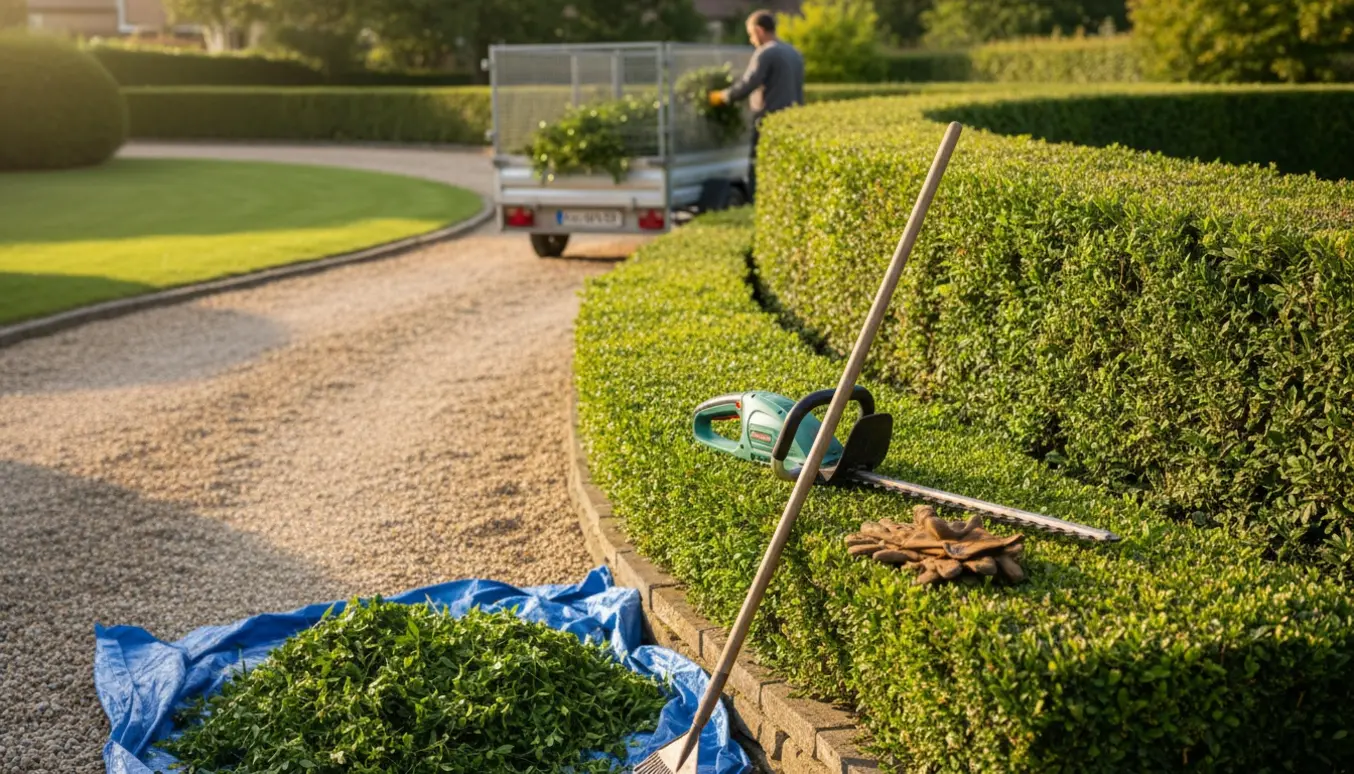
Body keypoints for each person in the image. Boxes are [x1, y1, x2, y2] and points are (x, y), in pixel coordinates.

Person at [709, 10, 805, 202]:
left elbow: (749, 84)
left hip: (769, 120)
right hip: (794, 119)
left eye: (751, 34)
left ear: (760, 30)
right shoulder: (794, 52)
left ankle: (757, 204)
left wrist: (723, 96)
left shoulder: (766, 53)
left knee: (758, 164)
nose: (752, 40)